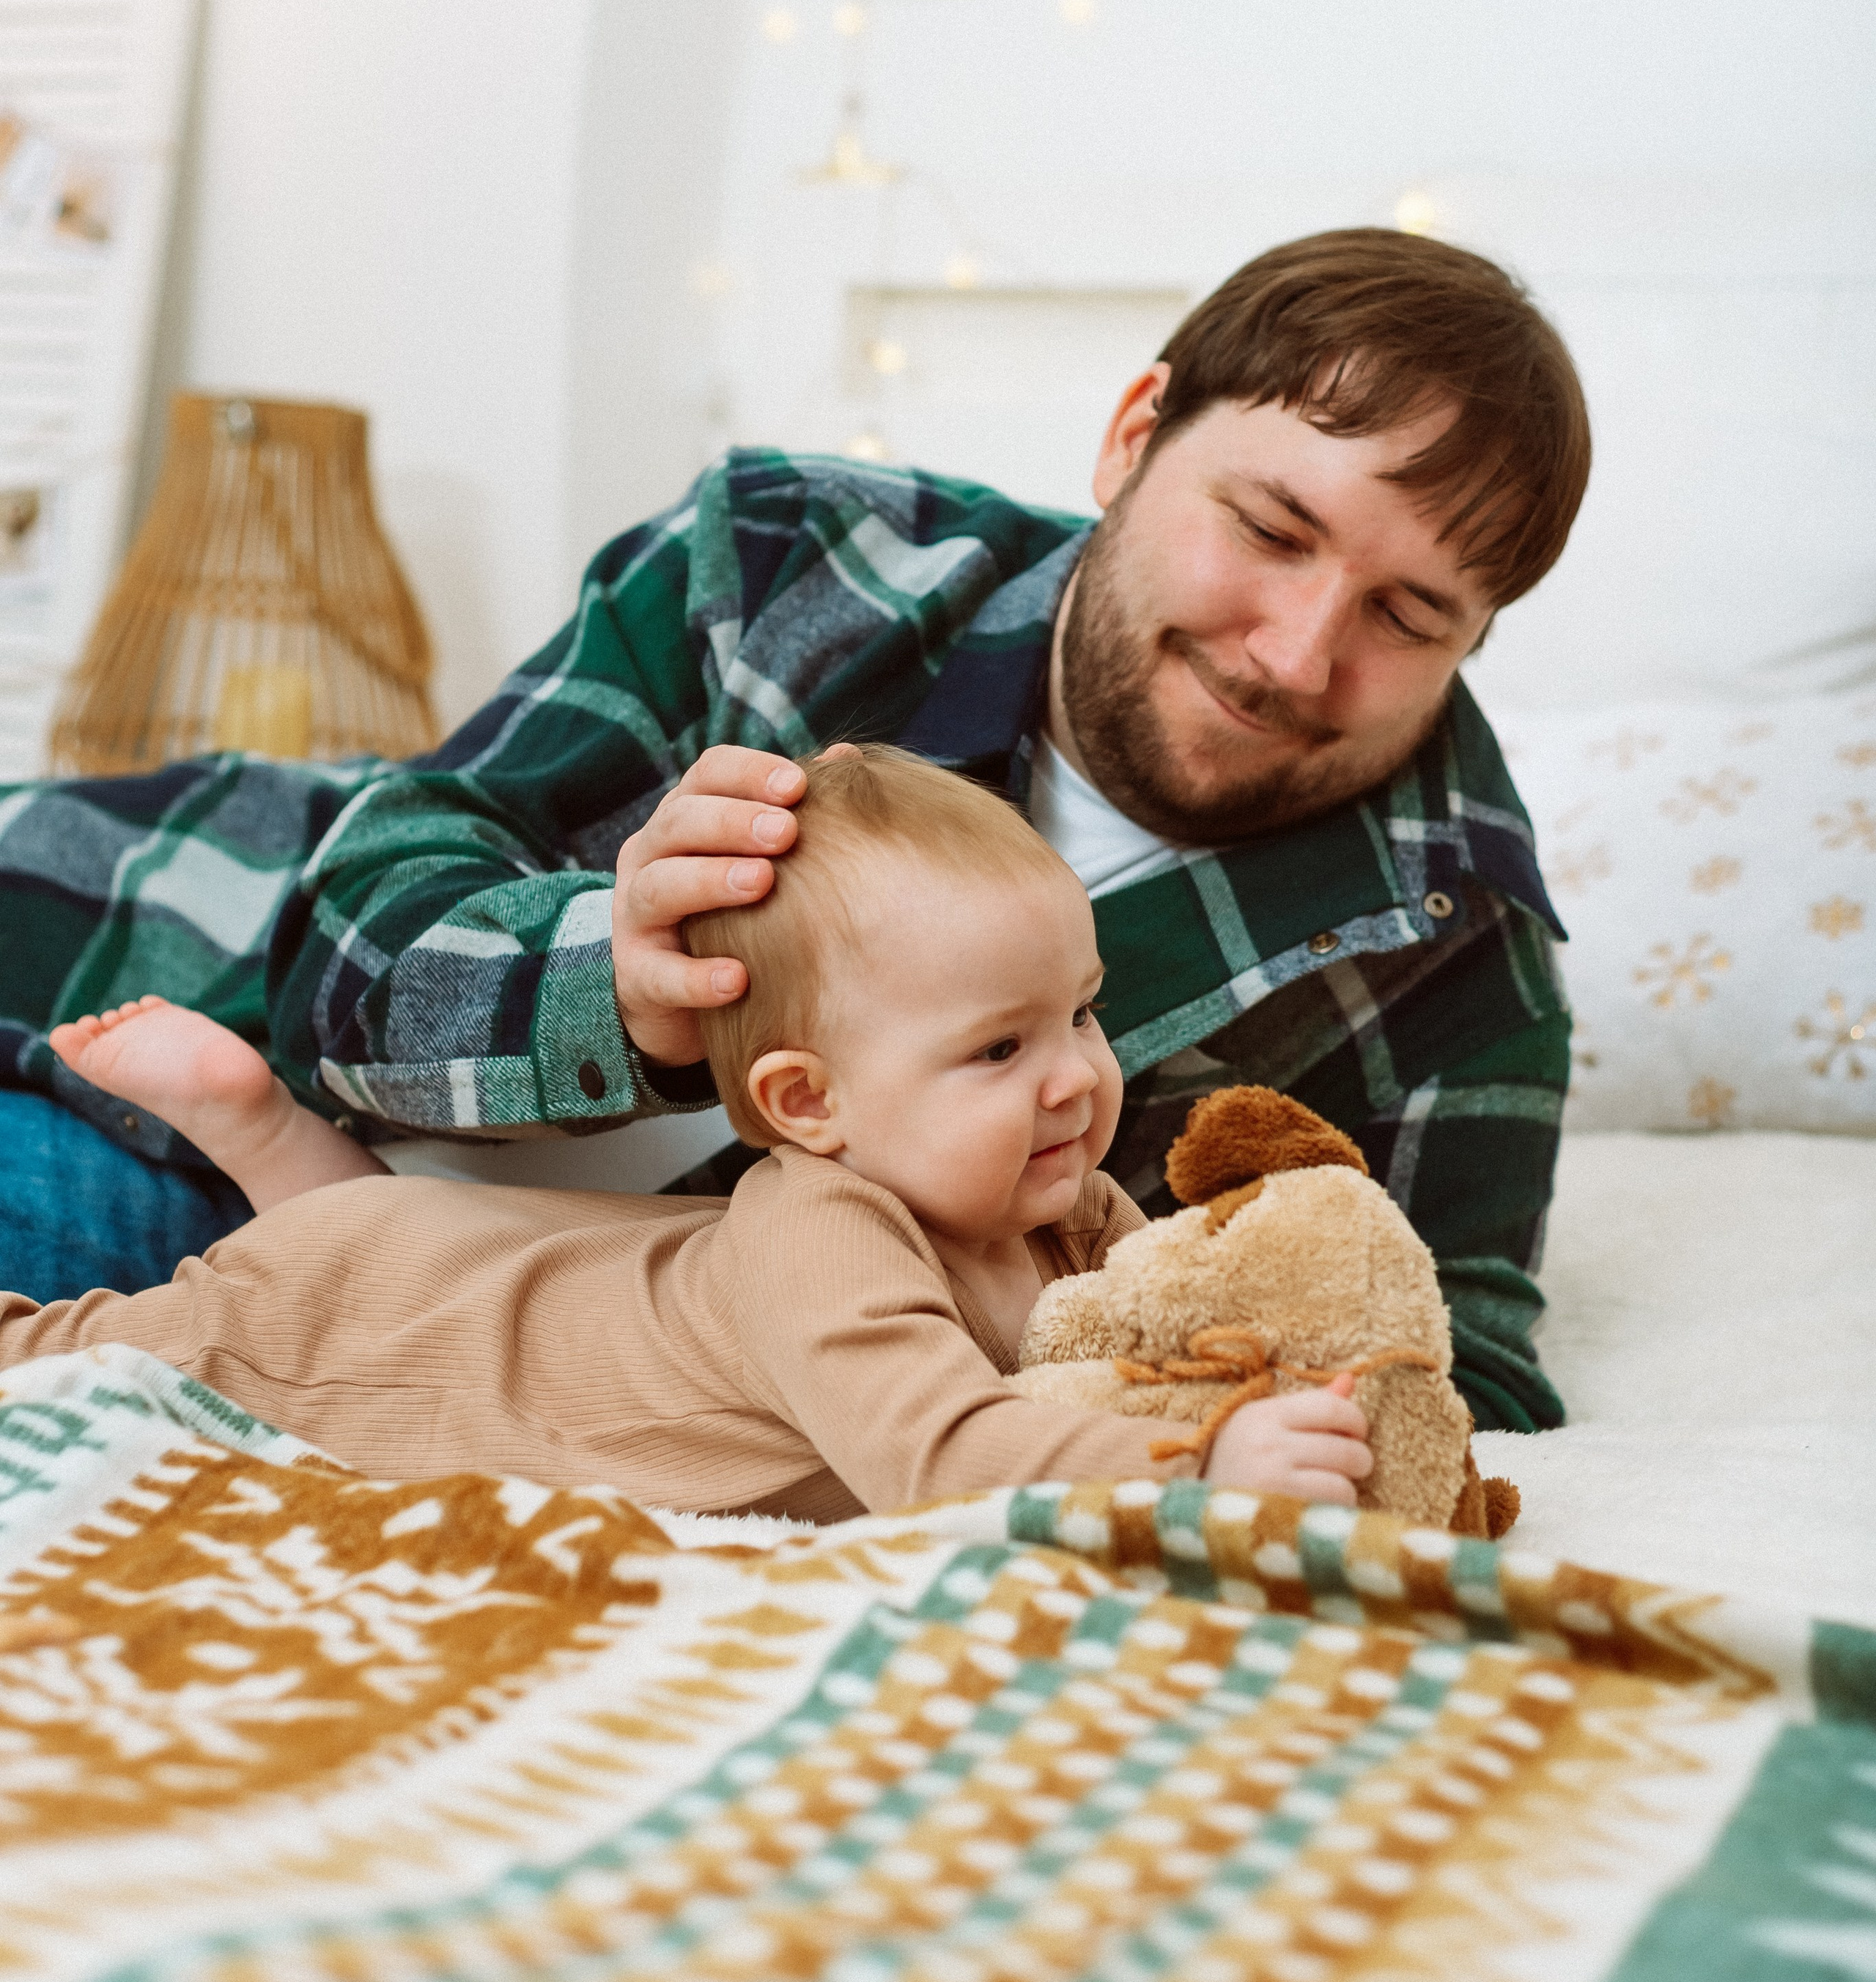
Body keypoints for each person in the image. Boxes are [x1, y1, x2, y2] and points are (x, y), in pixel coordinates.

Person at [0, 229, 1589, 1430]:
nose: (1297, 652)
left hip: (570, 1338)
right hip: (158, 1005)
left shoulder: (1455, 949)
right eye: (1268, 526)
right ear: (1132, 436)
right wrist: (609, 985)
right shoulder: (789, 558)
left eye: (1407, 613)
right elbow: (341, 953)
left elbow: (1453, 1375)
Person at [1, 753, 1375, 1519]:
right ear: (804, 1107)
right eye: (1000, 1049)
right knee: (86, 1352)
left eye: (1083, 1015)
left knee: (385, 1230)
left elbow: (1166, 1329)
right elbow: (943, 1459)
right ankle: (266, 1134)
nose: (1077, 1078)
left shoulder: (1057, 1202)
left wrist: (1305, 1378)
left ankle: (271, 1142)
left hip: (473, 1256)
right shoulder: (822, 1230)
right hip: (375, 1317)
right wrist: (1199, 1470)